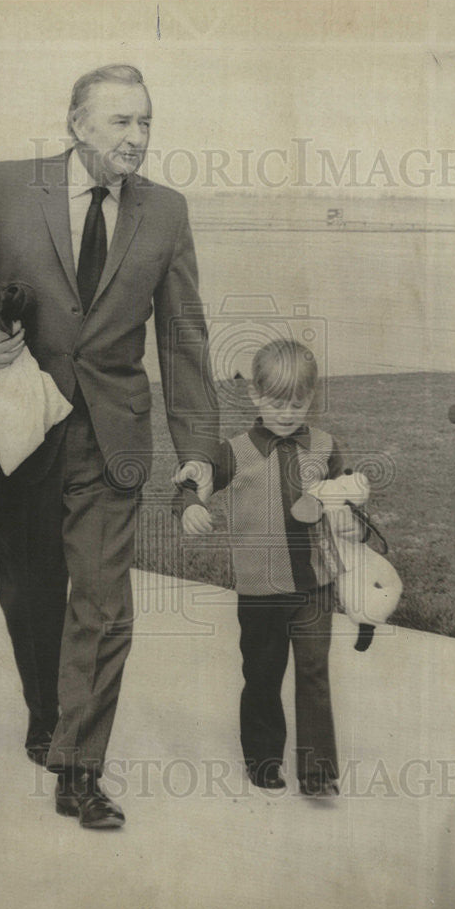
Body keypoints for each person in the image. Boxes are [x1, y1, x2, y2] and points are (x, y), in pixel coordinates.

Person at [0, 64, 219, 829]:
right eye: (121, 122)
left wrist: (198, 448)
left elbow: (183, 338)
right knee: (26, 586)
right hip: (19, 431)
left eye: (146, 123)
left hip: (110, 439)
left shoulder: (167, 214)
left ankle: (79, 770)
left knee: (105, 605)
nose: (137, 138)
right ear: (78, 124)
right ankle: (46, 710)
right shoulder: (11, 186)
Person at [175, 339, 351, 797]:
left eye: (298, 402)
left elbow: (346, 501)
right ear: (254, 395)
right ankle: (263, 760)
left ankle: (317, 773)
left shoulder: (327, 448)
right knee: (263, 673)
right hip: (259, 590)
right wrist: (191, 505)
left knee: (314, 672)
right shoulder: (234, 451)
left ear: (311, 397)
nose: (288, 412)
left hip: (316, 585)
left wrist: (349, 509)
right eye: (276, 402)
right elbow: (193, 480)